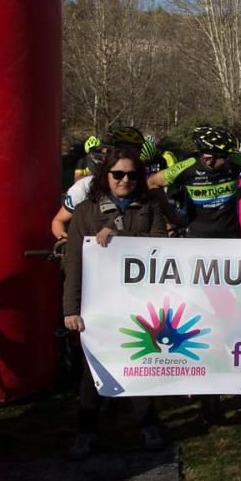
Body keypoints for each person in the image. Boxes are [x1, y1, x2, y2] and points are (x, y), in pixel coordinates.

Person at [62, 147, 168, 459]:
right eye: (118, 174)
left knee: (142, 364)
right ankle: (86, 432)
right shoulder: (86, 211)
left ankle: (148, 426)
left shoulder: (150, 206)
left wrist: (119, 236)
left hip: (139, 305)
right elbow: (74, 263)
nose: (124, 180)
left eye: (132, 175)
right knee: (91, 371)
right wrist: (71, 309)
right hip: (98, 307)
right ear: (105, 175)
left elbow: (162, 245)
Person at [147, 125, 241, 424]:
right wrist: (173, 217)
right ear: (207, 157)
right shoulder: (186, 167)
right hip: (196, 248)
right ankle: (202, 393)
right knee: (200, 319)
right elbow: (152, 183)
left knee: (227, 318)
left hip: (229, 247)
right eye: (222, 158)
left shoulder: (236, 162)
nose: (229, 162)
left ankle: (226, 378)